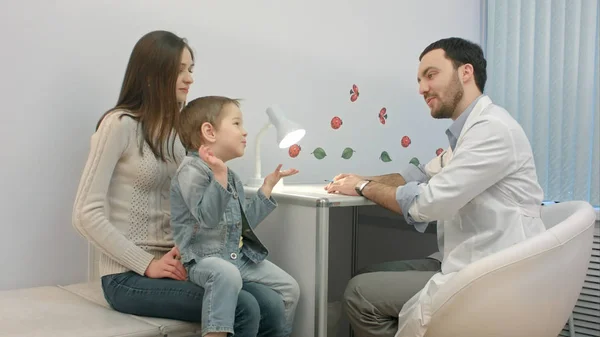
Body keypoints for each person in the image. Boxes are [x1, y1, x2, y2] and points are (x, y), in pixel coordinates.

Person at [325, 37, 546, 337]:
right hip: (465, 260)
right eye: (419, 80)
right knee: (367, 275)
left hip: (490, 273)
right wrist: (359, 180)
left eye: (431, 75)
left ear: (465, 72)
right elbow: (418, 175)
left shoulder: (492, 130)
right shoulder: (468, 134)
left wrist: (364, 187)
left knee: (359, 294)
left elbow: (427, 203)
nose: (421, 89)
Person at [72, 30, 287, 337]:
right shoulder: (119, 125)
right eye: (180, 70)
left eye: (191, 69)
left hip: (182, 264)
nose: (189, 78)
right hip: (127, 276)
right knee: (245, 307)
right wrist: (147, 263)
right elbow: (85, 213)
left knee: (272, 304)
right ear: (152, 75)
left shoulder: (180, 136)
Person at [170, 96, 301, 337]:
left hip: (235, 257)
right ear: (209, 132)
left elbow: (243, 224)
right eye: (237, 124)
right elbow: (207, 218)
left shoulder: (231, 176)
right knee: (226, 274)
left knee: (289, 288)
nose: (245, 132)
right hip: (200, 260)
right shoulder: (191, 170)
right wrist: (218, 177)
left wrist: (267, 188)